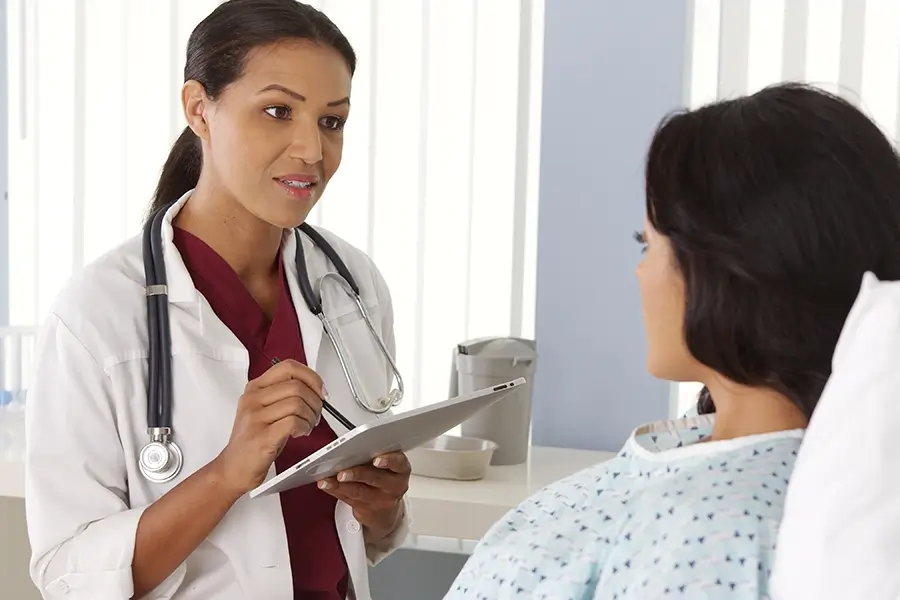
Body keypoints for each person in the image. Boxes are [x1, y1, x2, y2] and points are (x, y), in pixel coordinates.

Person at [444, 83, 900, 599]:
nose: (639, 273)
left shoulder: (720, 526)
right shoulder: (705, 463)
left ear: (726, 268)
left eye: (649, 244)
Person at [24, 2, 410, 599]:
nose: (311, 150)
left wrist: (381, 510)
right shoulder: (97, 314)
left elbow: (350, 539)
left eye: (331, 121)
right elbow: (68, 575)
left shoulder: (350, 283)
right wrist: (229, 472)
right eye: (277, 112)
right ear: (199, 109)